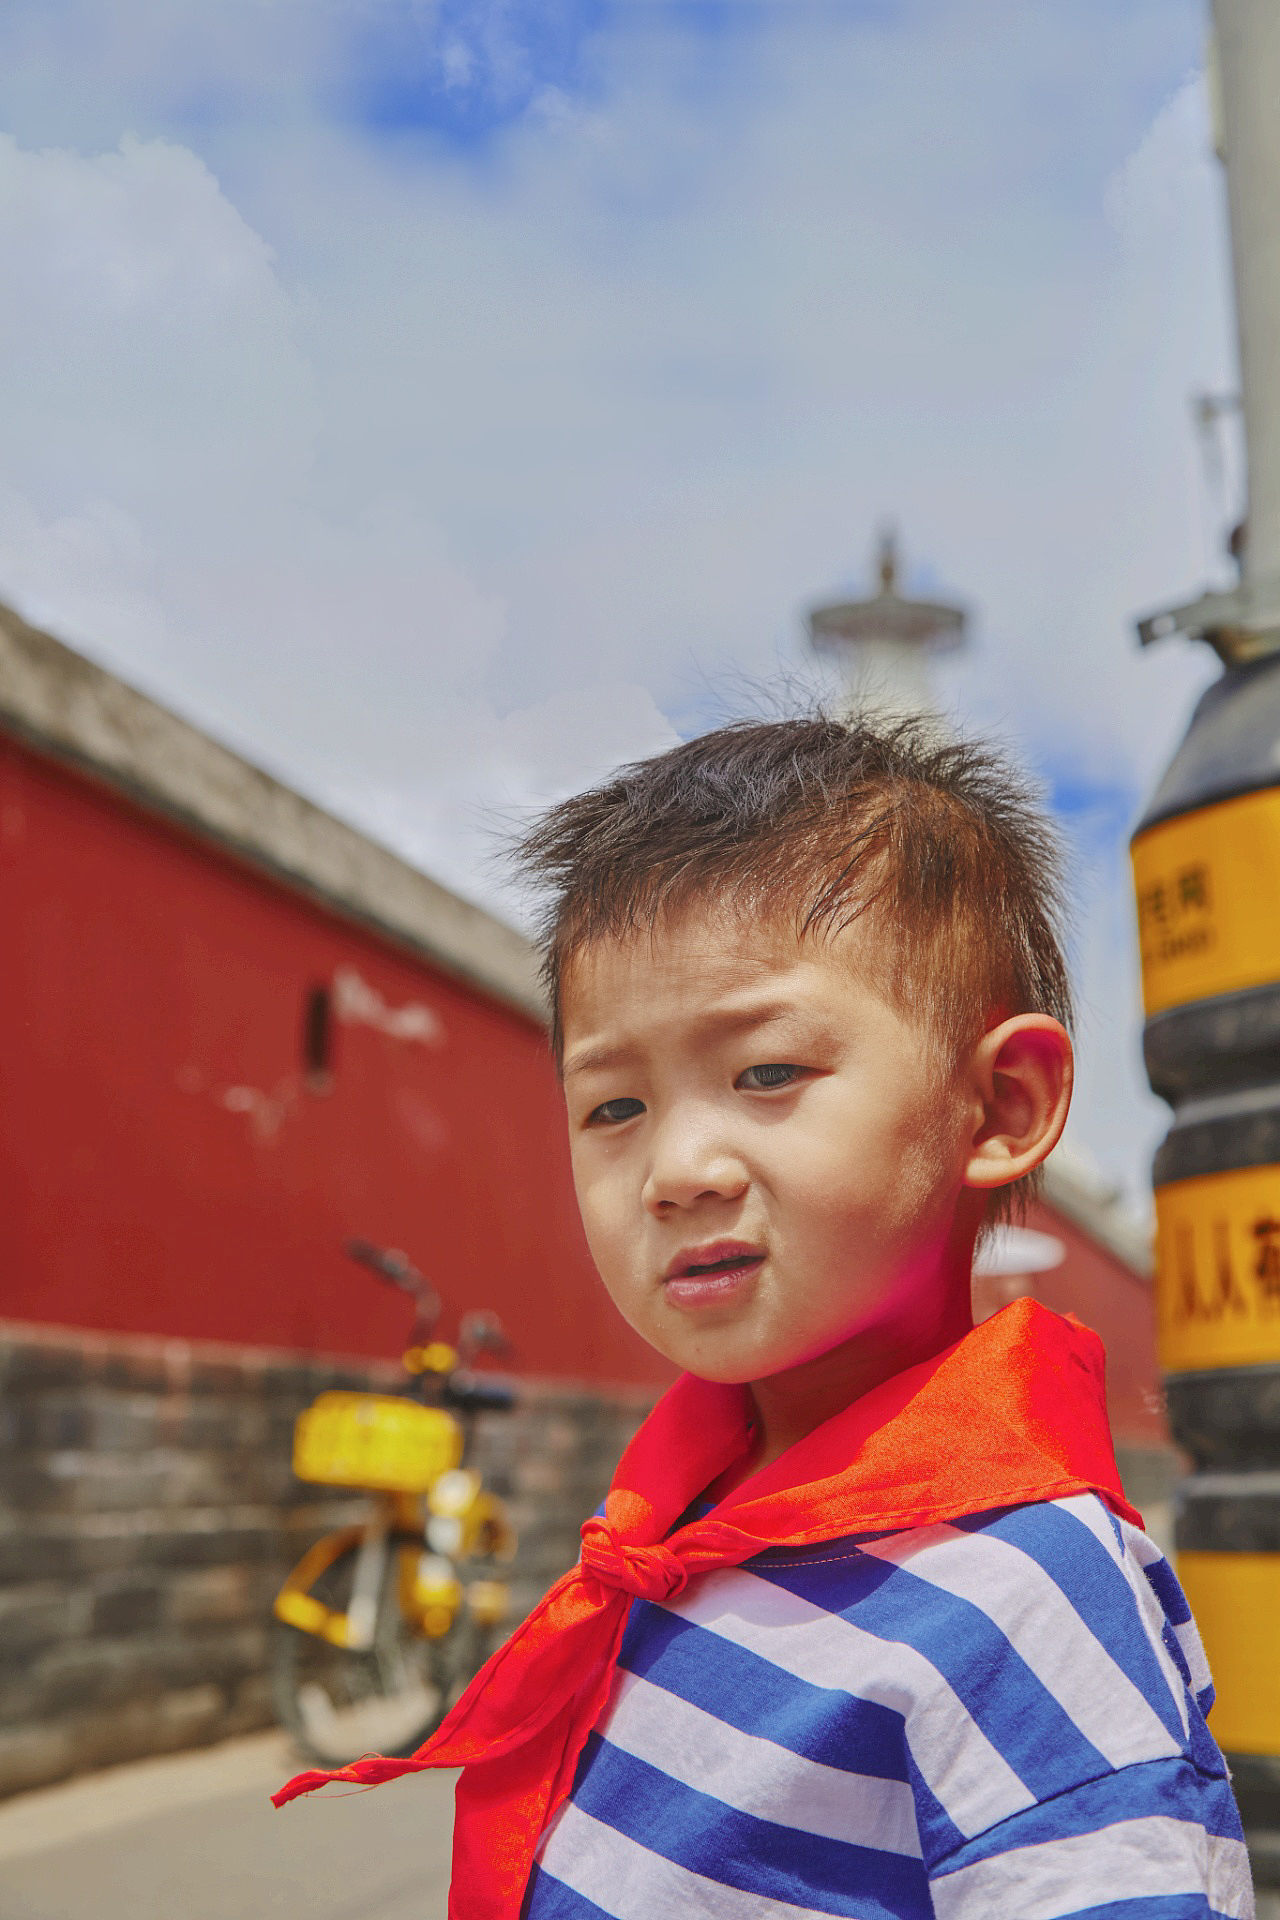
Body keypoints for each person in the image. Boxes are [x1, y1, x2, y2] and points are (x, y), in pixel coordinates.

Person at [277, 715, 1252, 1920]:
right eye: (615, 1104)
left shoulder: (1022, 1600)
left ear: (999, 1105)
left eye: (767, 1074)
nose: (676, 1167)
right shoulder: (683, 1510)